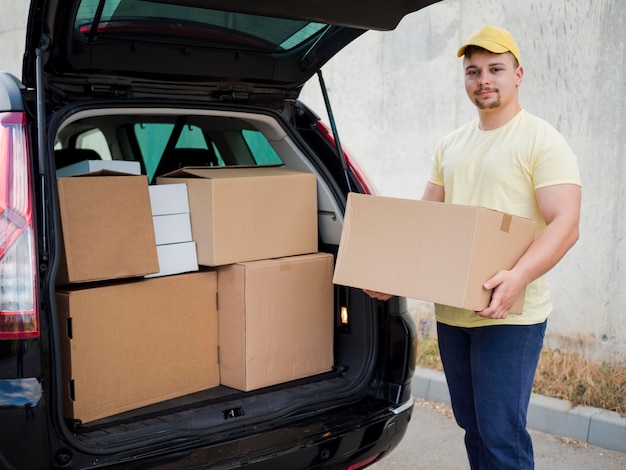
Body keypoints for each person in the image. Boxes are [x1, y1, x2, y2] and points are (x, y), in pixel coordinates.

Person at [366, 25, 582, 469]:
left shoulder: (541, 140)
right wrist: (392, 276)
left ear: (518, 74)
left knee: (501, 433)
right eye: (473, 71)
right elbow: (427, 223)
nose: (484, 79)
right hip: (455, 310)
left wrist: (516, 277)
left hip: (511, 315)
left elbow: (566, 224)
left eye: (495, 69)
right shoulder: (451, 145)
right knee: (472, 425)